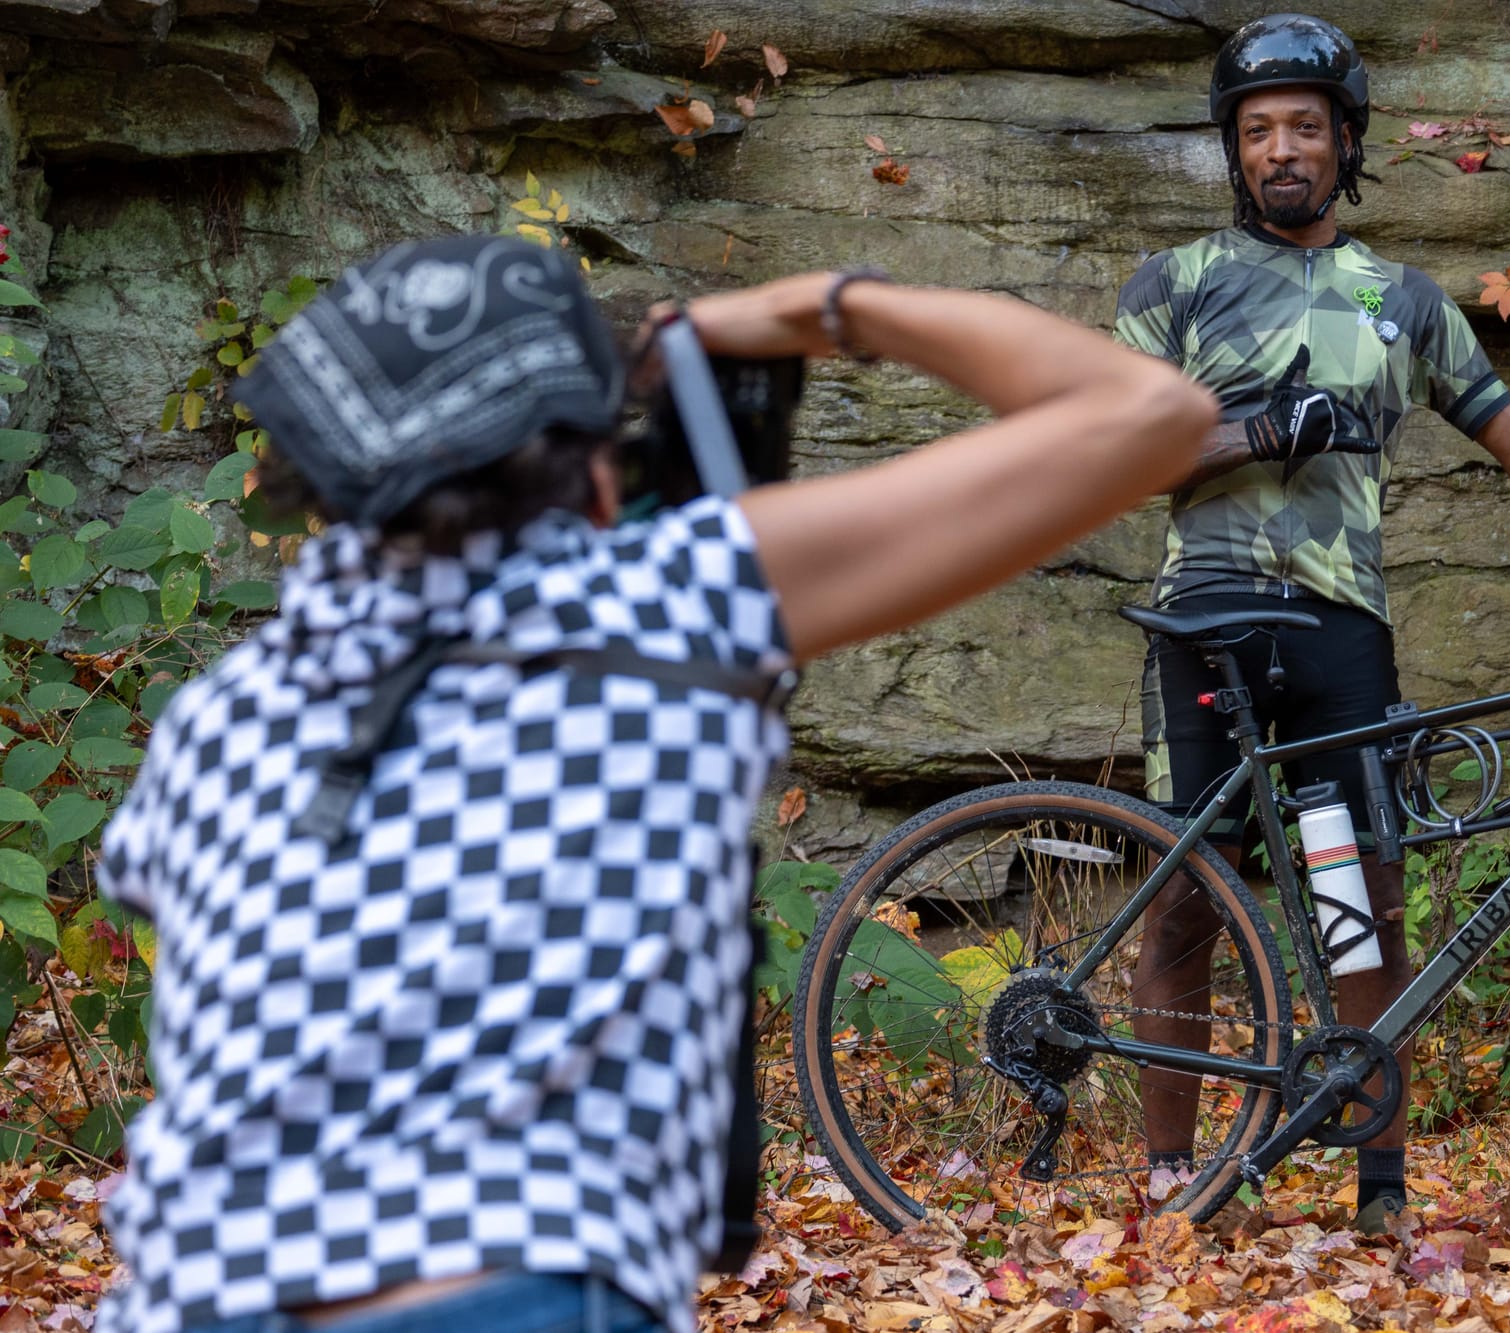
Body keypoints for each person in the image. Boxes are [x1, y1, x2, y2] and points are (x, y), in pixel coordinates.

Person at [94, 235, 1214, 1333]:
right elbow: (1149, 413)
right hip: (509, 1279)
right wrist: (820, 312)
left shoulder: (222, 711)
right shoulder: (661, 596)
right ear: (583, 462)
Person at [1114, 13, 1510, 1234]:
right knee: (1185, 898)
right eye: (1256, 132)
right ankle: (1169, 1182)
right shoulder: (1175, 285)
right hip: (1202, 622)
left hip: (1335, 630)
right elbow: (1097, 459)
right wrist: (1256, 429)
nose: (1280, 150)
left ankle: (1378, 1188)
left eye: (1304, 126)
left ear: (1344, 139)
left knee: (1361, 892)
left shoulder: (1399, 301)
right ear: (1232, 152)